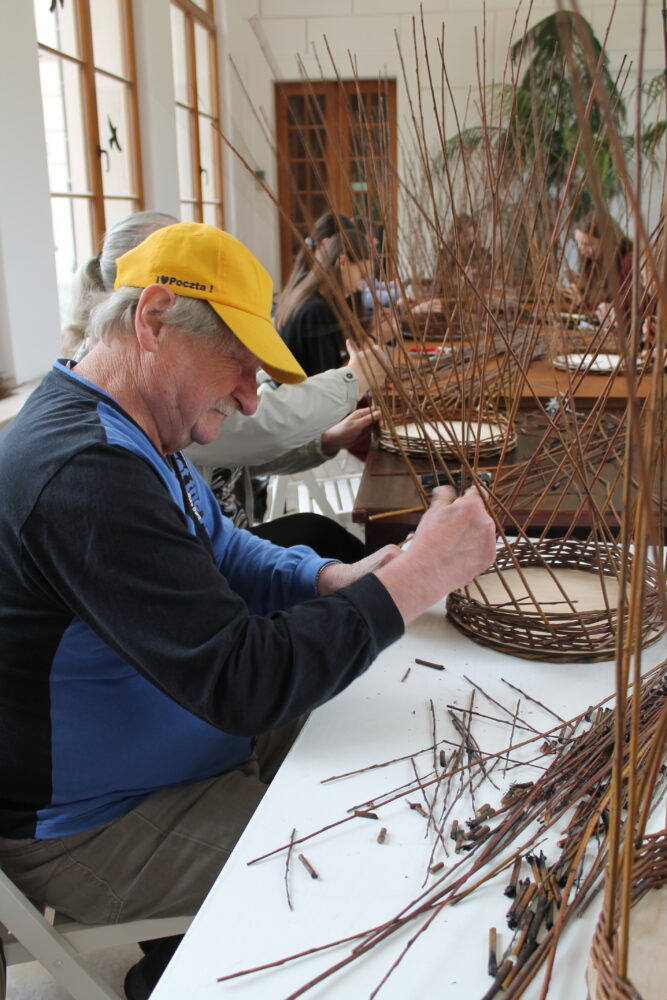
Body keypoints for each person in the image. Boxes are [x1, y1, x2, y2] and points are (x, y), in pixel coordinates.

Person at [0, 221, 496, 999]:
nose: (248, 395)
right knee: (369, 873)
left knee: (394, 733)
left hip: (185, 739)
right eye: (238, 364)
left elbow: (221, 547)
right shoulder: (85, 471)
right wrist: (409, 582)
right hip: (97, 819)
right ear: (153, 320)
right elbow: (241, 681)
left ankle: (174, 965)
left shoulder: (131, 427)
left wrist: (330, 578)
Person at [64, 211, 387, 561]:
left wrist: (321, 443)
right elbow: (260, 428)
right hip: (216, 551)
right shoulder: (110, 449)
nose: (251, 400)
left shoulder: (158, 404)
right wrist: (353, 379)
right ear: (154, 317)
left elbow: (227, 533)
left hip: (229, 538)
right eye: (232, 360)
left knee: (322, 543)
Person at [276, 226, 381, 376]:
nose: (361, 286)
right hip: (304, 391)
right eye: (362, 276)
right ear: (343, 262)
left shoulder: (307, 295)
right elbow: (331, 382)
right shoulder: (316, 311)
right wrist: (372, 338)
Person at [561, 209, 635, 325]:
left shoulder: (627, 262)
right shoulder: (591, 262)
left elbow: (614, 309)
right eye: (579, 243)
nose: (582, 249)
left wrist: (581, 302)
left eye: (588, 244)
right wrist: (578, 289)